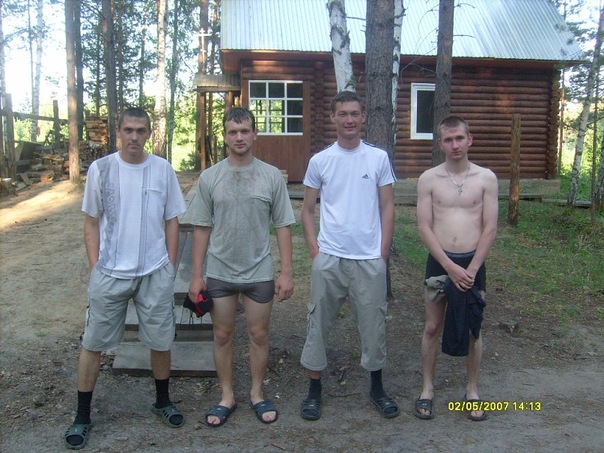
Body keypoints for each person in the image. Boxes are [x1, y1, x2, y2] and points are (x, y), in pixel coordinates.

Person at [64, 108, 187, 450]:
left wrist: (169, 266)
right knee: (93, 342)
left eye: (141, 130)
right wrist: (96, 268)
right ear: (117, 132)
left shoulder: (162, 169)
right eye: (128, 130)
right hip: (110, 272)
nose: (134, 136)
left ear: (148, 133)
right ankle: (82, 415)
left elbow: (172, 220)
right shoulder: (101, 169)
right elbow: (91, 222)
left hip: (154, 271)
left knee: (161, 339)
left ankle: (162, 401)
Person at [187, 107, 295, 427]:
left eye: (245, 131)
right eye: (232, 132)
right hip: (220, 271)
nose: (239, 137)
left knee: (258, 334)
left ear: (254, 134)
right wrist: (196, 275)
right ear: (224, 136)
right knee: (222, 334)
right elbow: (201, 227)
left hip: (259, 270)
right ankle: (226, 396)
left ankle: (257, 394)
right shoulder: (210, 177)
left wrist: (286, 272)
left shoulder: (271, 176)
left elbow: (283, 225)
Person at [299, 90, 399, 421]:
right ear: (333, 118)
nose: (349, 120)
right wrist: (314, 250)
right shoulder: (321, 160)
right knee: (318, 323)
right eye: (343, 114)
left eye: (355, 113)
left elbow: (388, 205)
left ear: (364, 117)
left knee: (373, 325)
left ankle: (377, 388)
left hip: (369, 259)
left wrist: (382, 252)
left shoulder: (378, 158)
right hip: (329, 258)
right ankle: (314, 390)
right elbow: (307, 210)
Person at [414, 115, 498, 422]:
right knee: (432, 326)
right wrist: (449, 267)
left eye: (459, 138)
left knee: (474, 328)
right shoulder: (428, 179)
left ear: (469, 139)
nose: (455, 145)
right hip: (440, 261)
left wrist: (472, 269)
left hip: (473, 263)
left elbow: (490, 227)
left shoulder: (486, 178)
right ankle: (427, 389)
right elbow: (424, 226)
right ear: (440, 144)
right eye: (448, 140)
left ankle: (472, 390)